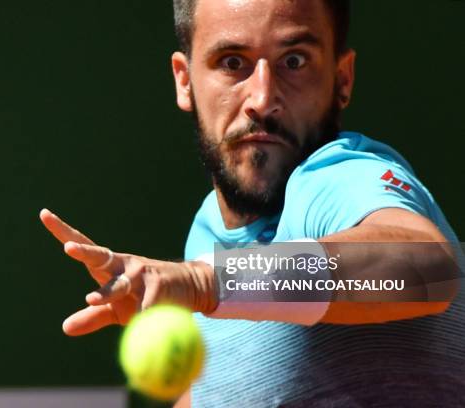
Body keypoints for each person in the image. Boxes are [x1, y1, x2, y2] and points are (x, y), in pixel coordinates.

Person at [40, 0, 465, 406]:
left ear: (342, 79)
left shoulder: (340, 176)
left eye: (294, 61)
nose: (262, 99)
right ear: (184, 80)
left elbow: (423, 268)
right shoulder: (205, 237)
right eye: (232, 63)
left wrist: (207, 283)